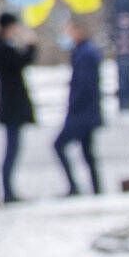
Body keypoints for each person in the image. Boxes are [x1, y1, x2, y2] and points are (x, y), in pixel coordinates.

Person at [54, 13, 107, 196]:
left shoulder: (86, 52)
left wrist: (74, 107)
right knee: (88, 153)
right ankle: (96, 188)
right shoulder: (84, 51)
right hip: (87, 111)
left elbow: (85, 85)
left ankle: (77, 187)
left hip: (82, 113)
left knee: (60, 145)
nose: (66, 34)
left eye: (69, 29)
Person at [0, 10, 37, 203]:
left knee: (13, 147)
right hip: (11, 105)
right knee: (11, 148)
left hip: (12, 103)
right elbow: (20, 63)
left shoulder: (3, 46)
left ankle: (8, 189)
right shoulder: (2, 48)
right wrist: (31, 45)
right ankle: (7, 190)